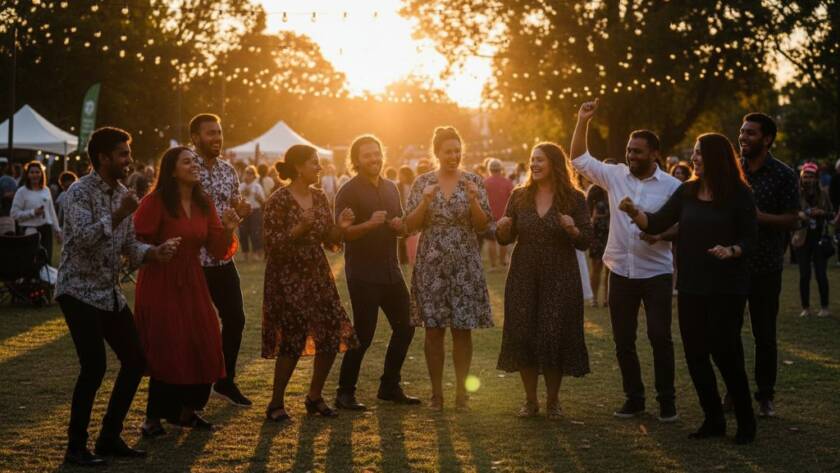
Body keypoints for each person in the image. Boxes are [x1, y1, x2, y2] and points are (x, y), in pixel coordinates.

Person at [619, 133, 758, 444]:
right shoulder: (687, 192)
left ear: (716, 158)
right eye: (694, 153)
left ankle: (746, 420)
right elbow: (657, 223)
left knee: (725, 352)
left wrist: (732, 250)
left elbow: (751, 238)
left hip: (727, 287)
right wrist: (633, 212)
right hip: (692, 285)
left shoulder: (739, 194)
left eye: (699, 153)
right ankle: (713, 419)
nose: (694, 158)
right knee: (695, 354)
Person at [55, 127, 180, 466]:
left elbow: (127, 246)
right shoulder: (79, 192)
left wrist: (154, 252)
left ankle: (109, 437)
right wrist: (119, 213)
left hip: (108, 292)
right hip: (78, 289)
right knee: (94, 367)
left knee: (136, 361)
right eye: (122, 154)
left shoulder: (124, 193)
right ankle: (76, 447)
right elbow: (82, 239)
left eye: (128, 153)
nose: (128, 160)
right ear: (103, 158)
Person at [569, 99, 681, 422]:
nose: (631, 156)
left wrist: (660, 234)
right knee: (623, 340)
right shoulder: (615, 176)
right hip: (620, 271)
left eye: (638, 152)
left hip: (656, 273)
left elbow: (683, 224)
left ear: (655, 154)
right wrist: (582, 121)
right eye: (629, 150)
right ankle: (634, 398)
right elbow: (578, 159)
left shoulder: (673, 187)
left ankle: (667, 401)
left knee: (659, 337)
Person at [133, 147, 241, 436]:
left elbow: (217, 249)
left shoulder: (203, 203)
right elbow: (134, 241)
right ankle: (153, 418)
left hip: (192, 278)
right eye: (187, 162)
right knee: (168, 344)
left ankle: (187, 411)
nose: (194, 165)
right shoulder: (155, 201)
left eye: (195, 161)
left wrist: (228, 229)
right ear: (171, 170)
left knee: (205, 340)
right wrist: (156, 250)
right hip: (161, 279)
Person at [495, 142, 592, 418]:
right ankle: (530, 401)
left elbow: (586, 240)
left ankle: (553, 401)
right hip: (523, 275)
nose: (534, 164)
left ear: (555, 164)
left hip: (559, 275)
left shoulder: (574, 199)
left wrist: (572, 230)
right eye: (532, 160)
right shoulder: (519, 196)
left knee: (553, 334)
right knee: (524, 334)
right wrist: (503, 229)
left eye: (540, 160)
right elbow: (506, 238)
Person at [262, 144, 358, 421]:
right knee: (292, 337)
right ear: (298, 167)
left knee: (330, 333)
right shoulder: (279, 199)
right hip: (287, 275)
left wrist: (341, 227)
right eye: (314, 162)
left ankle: (314, 397)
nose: (319, 166)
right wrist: (299, 229)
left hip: (316, 272)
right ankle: (276, 403)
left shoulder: (319, 196)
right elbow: (271, 243)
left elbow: (329, 239)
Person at [404, 126, 493, 410]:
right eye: (448, 152)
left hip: (464, 262)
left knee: (462, 329)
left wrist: (474, 200)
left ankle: (461, 394)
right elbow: (410, 225)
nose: (453, 156)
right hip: (432, 263)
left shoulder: (473, 181)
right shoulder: (423, 182)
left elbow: (483, 225)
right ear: (437, 153)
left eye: (457, 151)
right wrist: (426, 201)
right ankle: (437, 394)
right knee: (433, 330)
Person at [333, 135, 420, 410]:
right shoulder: (348, 191)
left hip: (391, 271)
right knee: (364, 333)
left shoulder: (391, 187)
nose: (374, 159)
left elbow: (402, 226)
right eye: (367, 155)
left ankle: (389, 386)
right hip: (363, 273)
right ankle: (345, 392)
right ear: (357, 160)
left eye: (377, 153)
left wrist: (400, 226)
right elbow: (343, 234)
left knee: (406, 326)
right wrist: (369, 224)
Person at [737, 112, 800, 417]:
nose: (743, 137)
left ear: (767, 139)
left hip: (766, 266)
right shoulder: (732, 169)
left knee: (764, 334)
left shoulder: (783, 174)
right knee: (729, 332)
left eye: (751, 133)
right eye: (742, 131)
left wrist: (759, 217)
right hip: (733, 264)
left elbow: (792, 219)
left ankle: (765, 395)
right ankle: (734, 391)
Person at [190, 113, 253, 407]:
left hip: (223, 259)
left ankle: (225, 381)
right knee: (197, 328)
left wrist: (241, 210)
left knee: (236, 318)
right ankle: (191, 391)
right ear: (195, 138)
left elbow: (233, 209)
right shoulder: (186, 168)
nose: (216, 138)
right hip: (194, 261)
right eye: (210, 133)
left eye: (218, 132)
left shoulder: (228, 171)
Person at [793, 162, 832, 317]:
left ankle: (824, 307)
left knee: (821, 274)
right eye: (805, 176)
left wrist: (822, 213)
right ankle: (806, 308)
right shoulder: (796, 194)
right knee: (804, 274)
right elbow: (791, 213)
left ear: (816, 178)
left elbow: (831, 213)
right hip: (802, 237)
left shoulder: (823, 194)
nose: (808, 179)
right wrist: (802, 214)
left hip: (819, 238)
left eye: (811, 176)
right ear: (801, 177)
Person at [11, 160, 63, 262]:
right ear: (27, 175)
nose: (35, 175)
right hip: (29, 231)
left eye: (37, 172)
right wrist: (33, 212)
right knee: (30, 262)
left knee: (46, 261)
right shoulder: (22, 192)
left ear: (42, 174)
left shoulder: (46, 190)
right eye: (32, 172)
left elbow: (51, 212)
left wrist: (57, 230)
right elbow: (14, 214)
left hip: (46, 231)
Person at [585, 160, 614, 307]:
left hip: (613, 233)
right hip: (597, 233)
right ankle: (594, 298)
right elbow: (587, 213)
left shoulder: (618, 188)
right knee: (596, 266)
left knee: (611, 269)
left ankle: (608, 299)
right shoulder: (594, 190)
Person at [484, 158, 514, 270]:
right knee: (503, 241)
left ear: (489, 169)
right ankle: (502, 263)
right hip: (504, 216)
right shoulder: (507, 182)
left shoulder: (485, 182)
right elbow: (513, 199)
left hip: (489, 216)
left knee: (491, 241)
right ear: (501, 169)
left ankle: (493, 265)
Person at [239, 165, 266, 261]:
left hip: (255, 211)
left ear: (254, 175)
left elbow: (263, 201)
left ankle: (256, 253)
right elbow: (236, 200)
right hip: (243, 211)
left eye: (251, 173)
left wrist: (258, 197)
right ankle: (245, 253)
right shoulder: (241, 186)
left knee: (255, 232)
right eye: (247, 173)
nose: (248, 175)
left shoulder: (257, 186)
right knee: (243, 233)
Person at [397, 165, 416, 265]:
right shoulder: (398, 186)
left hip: (412, 214)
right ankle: (403, 259)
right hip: (402, 214)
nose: (399, 176)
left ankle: (412, 257)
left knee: (411, 237)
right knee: (402, 238)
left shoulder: (414, 185)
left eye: (401, 174)